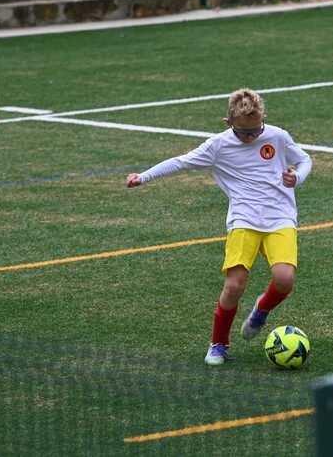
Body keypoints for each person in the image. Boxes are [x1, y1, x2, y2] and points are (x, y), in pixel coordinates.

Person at [126, 88, 313, 365]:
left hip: (281, 218)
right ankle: (218, 344)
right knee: (235, 285)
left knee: (284, 279)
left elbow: (304, 159)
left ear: (263, 119)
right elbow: (180, 162)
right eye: (243, 133)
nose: (250, 138)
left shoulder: (277, 136)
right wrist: (143, 177)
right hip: (243, 220)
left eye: (255, 131)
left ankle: (261, 310)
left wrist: (297, 178)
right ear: (228, 123)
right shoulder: (218, 146)